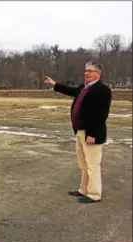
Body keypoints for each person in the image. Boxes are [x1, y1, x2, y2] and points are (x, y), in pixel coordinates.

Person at [44, 61, 112, 204]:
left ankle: (94, 194)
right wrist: (55, 84)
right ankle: (83, 189)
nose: (86, 73)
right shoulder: (83, 87)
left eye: (90, 71)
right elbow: (70, 91)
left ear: (98, 74)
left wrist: (92, 134)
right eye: (85, 70)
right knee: (83, 163)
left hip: (91, 133)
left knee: (92, 164)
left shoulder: (102, 90)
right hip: (80, 132)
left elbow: (101, 114)